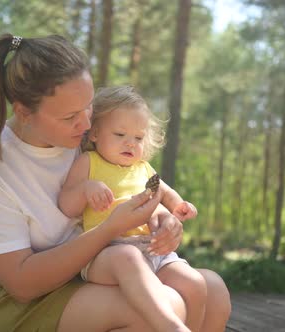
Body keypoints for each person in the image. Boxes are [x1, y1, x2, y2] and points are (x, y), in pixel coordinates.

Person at [0, 33, 231, 332]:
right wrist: (110, 229)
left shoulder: (87, 137)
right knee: (162, 309)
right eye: (70, 117)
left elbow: (131, 183)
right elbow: (22, 284)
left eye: (89, 106)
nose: (88, 124)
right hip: (29, 300)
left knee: (214, 291)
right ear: (24, 113)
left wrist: (165, 221)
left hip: (99, 270)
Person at [58, 86, 203, 332]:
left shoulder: (144, 168)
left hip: (152, 248)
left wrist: (181, 206)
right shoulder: (89, 162)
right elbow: (66, 205)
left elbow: (167, 195)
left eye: (138, 138)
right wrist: (86, 189)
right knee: (129, 258)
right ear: (94, 133)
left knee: (195, 283)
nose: (130, 144)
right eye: (120, 134)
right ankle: (172, 328)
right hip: (106, 252)